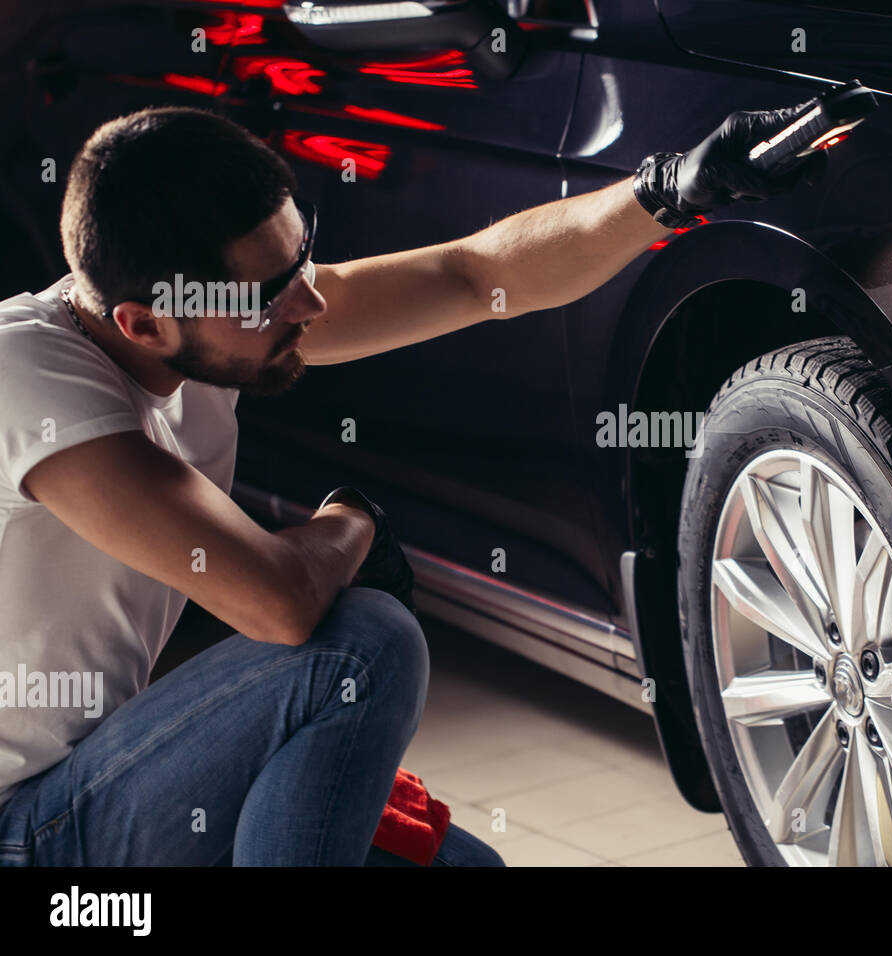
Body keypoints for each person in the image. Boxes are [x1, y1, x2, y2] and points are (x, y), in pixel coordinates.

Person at [0, 102, 826, 866]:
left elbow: (474, 277)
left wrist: (672, 187)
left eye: (303, 255)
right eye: (271, 293)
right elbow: (275, 600)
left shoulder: (211, 322)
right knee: (363, 641)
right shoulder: (26, 375)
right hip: (27, 833)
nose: (312, 303)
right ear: (144, 323)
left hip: (110, 783)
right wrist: (353, 521)